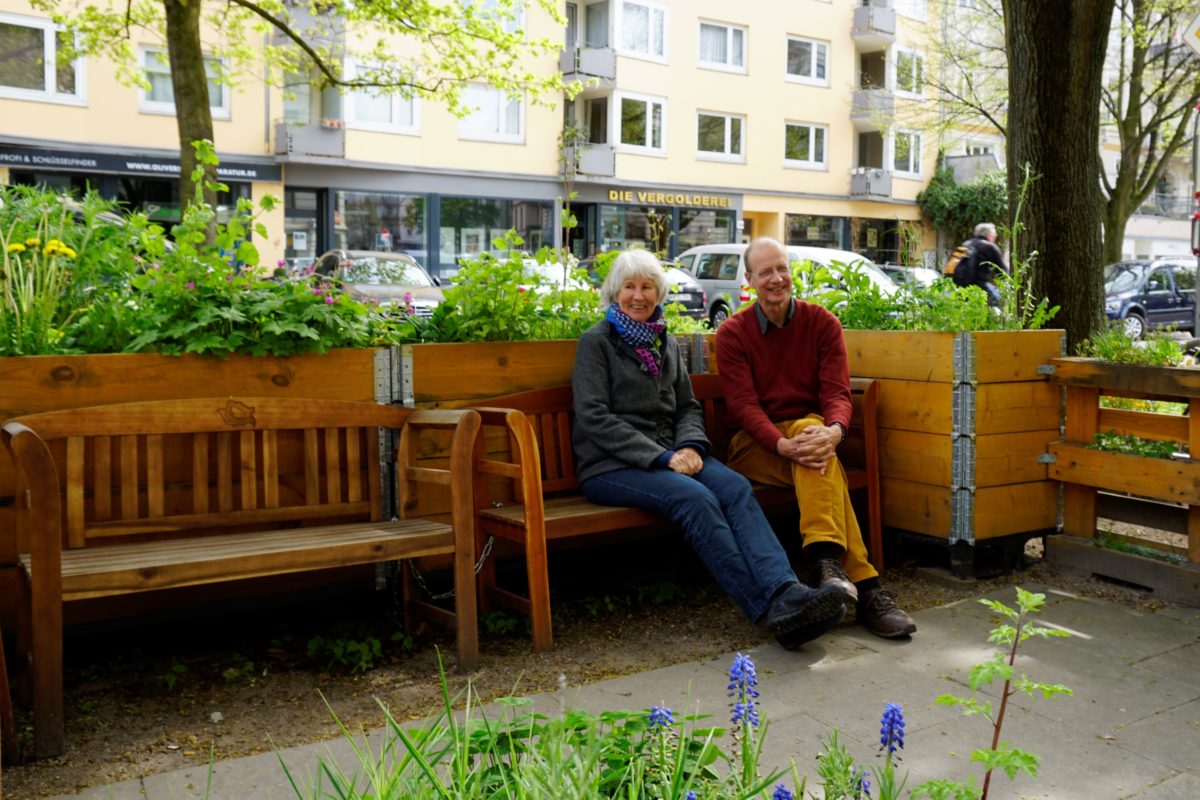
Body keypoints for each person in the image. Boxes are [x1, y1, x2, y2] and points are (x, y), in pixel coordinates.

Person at [572, 249, 849, 649]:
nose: (638, 295)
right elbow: (595, 418)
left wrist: (688, 445)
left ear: (658, 293)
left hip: (673, 455)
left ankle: (786, 590)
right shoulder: (595, 343)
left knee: (734, 487)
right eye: (629, 286)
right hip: (612, 467)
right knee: (696, 499)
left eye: (647, 286)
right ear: (615, 293)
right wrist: (664, 457)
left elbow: (687, 406)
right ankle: (769, 609)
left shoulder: (663, 341)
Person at [715, 237, 917, 640]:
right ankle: (865, 584)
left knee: (815, 447)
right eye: (766, 271)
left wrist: (835, 432)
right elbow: (743, 406)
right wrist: (784, 442)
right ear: (750, 279)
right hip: (756, 447)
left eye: (782, 268)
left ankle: (834, 570)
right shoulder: (733, 334)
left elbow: (837, 394)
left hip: (810, 446)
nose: (777, 278)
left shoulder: (822, 323)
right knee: (812, 443)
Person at [967, 222, 1007, 306]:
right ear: (989, 234)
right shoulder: (989, 247)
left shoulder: (966, 244)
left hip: (959, 287)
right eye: (994, 234)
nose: (996, 236)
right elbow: (1003, 272)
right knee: (1000, 301)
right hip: (980, 286)